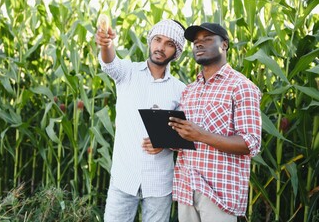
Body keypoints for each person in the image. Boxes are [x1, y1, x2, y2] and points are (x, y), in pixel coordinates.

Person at [168, 22, 262, 222]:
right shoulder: (189, 90)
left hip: (219, 193)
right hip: (186, 188)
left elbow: (250, 143)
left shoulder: (242, 87)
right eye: (196, 42)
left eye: (207, 39)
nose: (199, 45)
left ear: (225, 45)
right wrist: (166, 138)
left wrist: (201, 135)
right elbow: (186, 140)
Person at [95, 19, 186, 222]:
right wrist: (106, 44)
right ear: (150, 42)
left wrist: (164, 144)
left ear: (176, 52)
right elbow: (110, 63)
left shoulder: (180, 89)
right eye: (157, 40)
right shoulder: (127, 72)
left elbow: (183, 133)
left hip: (159, 184)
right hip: (124, 179)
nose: (161, 47)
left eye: (169, 44)